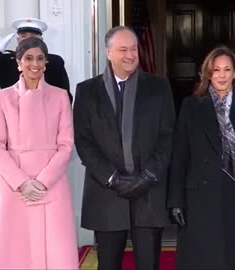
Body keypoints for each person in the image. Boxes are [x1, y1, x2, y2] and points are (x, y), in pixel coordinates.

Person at [73, 26, 175, 270]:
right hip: (106, 192)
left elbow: (168, 137)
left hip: (148, 191)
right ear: (108, 53)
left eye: (133, 49)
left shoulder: (158, 88)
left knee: (149, 264)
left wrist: (148, 177)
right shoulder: (87, 91)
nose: (130, 55)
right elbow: (84, 142)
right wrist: (112, 178)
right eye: (123, 50)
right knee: (108, 264)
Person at [167, 46, 235, 270]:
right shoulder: (191, 106)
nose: (222, 75)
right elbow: (180, 155)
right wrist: (175, 200)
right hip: (200, 197)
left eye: (227, 69)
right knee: (203, 258)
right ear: (208, 74)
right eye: (216, 70)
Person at [0, 37, 77, 269]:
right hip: (12, 185)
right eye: (29, 58)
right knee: (13, 250)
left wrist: (42, 182)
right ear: (18, 63)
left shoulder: (60, 96)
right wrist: (22, 182)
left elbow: (66, 144)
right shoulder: (3, 97)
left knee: (55, 249)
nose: (35, 64)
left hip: (51, 183)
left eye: (40, 58)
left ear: (46, 63)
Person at [0, 18, 72, 193]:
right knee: (8, 199)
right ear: (17, 40)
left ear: (41, 40)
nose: (27, 40)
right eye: (23, 36)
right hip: (11, 144)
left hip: (43, 146)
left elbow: (66, 100)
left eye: (33, 36)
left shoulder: (52, 63)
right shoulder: (5, 61)